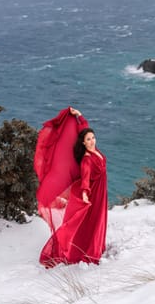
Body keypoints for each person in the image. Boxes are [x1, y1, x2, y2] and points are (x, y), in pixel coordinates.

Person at [34, 107, 108, 268]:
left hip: (101, 192)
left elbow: (84, 129)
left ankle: (96, 247)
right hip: (93, 193)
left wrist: (80, 116)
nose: (92, 141)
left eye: (93, 138)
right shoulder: (87, 159)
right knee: (90, 222)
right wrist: (85, 194)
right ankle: (86, 252)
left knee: (97, 221)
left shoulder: (96, 151)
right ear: (83, 142)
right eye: (88, 139)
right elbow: (86, 179)